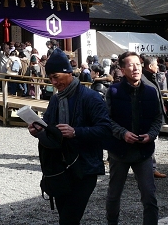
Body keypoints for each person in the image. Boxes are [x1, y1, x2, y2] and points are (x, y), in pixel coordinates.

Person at [28, 48, 112, 225]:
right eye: (50, 78)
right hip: (60, 166)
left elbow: (106, 130)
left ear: (68, 72)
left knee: (69, 217)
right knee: (65, 217)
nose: (53, 82)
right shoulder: (55, 99)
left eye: (56, 77)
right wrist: (38, 131)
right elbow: (49, 127)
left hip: (85, 167)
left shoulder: (91, 98)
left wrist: (76, 132)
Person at [105, 51, 162, 225]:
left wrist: (151, 135)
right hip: (119, 151)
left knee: (149, 195)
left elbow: (158, 118)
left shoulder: (151, 91)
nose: (135, 68)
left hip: (143, 151)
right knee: (114, 194)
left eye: (138, 64)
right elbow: (106, 119)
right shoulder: (113, 91)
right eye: (130, 65)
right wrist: (122, 133)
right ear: (122, 70)